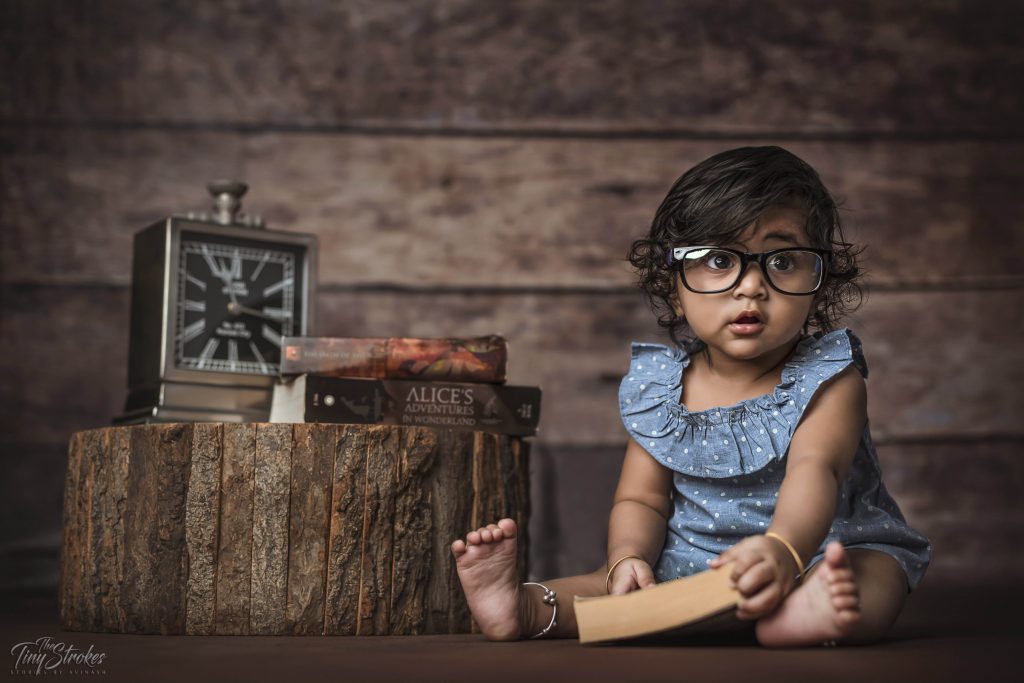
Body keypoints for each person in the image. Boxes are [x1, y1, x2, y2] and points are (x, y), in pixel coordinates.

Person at [450, 146, 931, 647]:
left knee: (873, 573)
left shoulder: (829, 375)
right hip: (693, 567)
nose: (750, 287)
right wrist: (628, 557)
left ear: (819, 283)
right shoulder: (662, 389)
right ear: (674, 283)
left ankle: (809, 609)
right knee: (615, 588)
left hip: (816, 551)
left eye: (783, 260)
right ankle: (525, 607)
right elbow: (642, 497)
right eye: (719, 260)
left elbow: (817, 469)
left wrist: (782, 552)